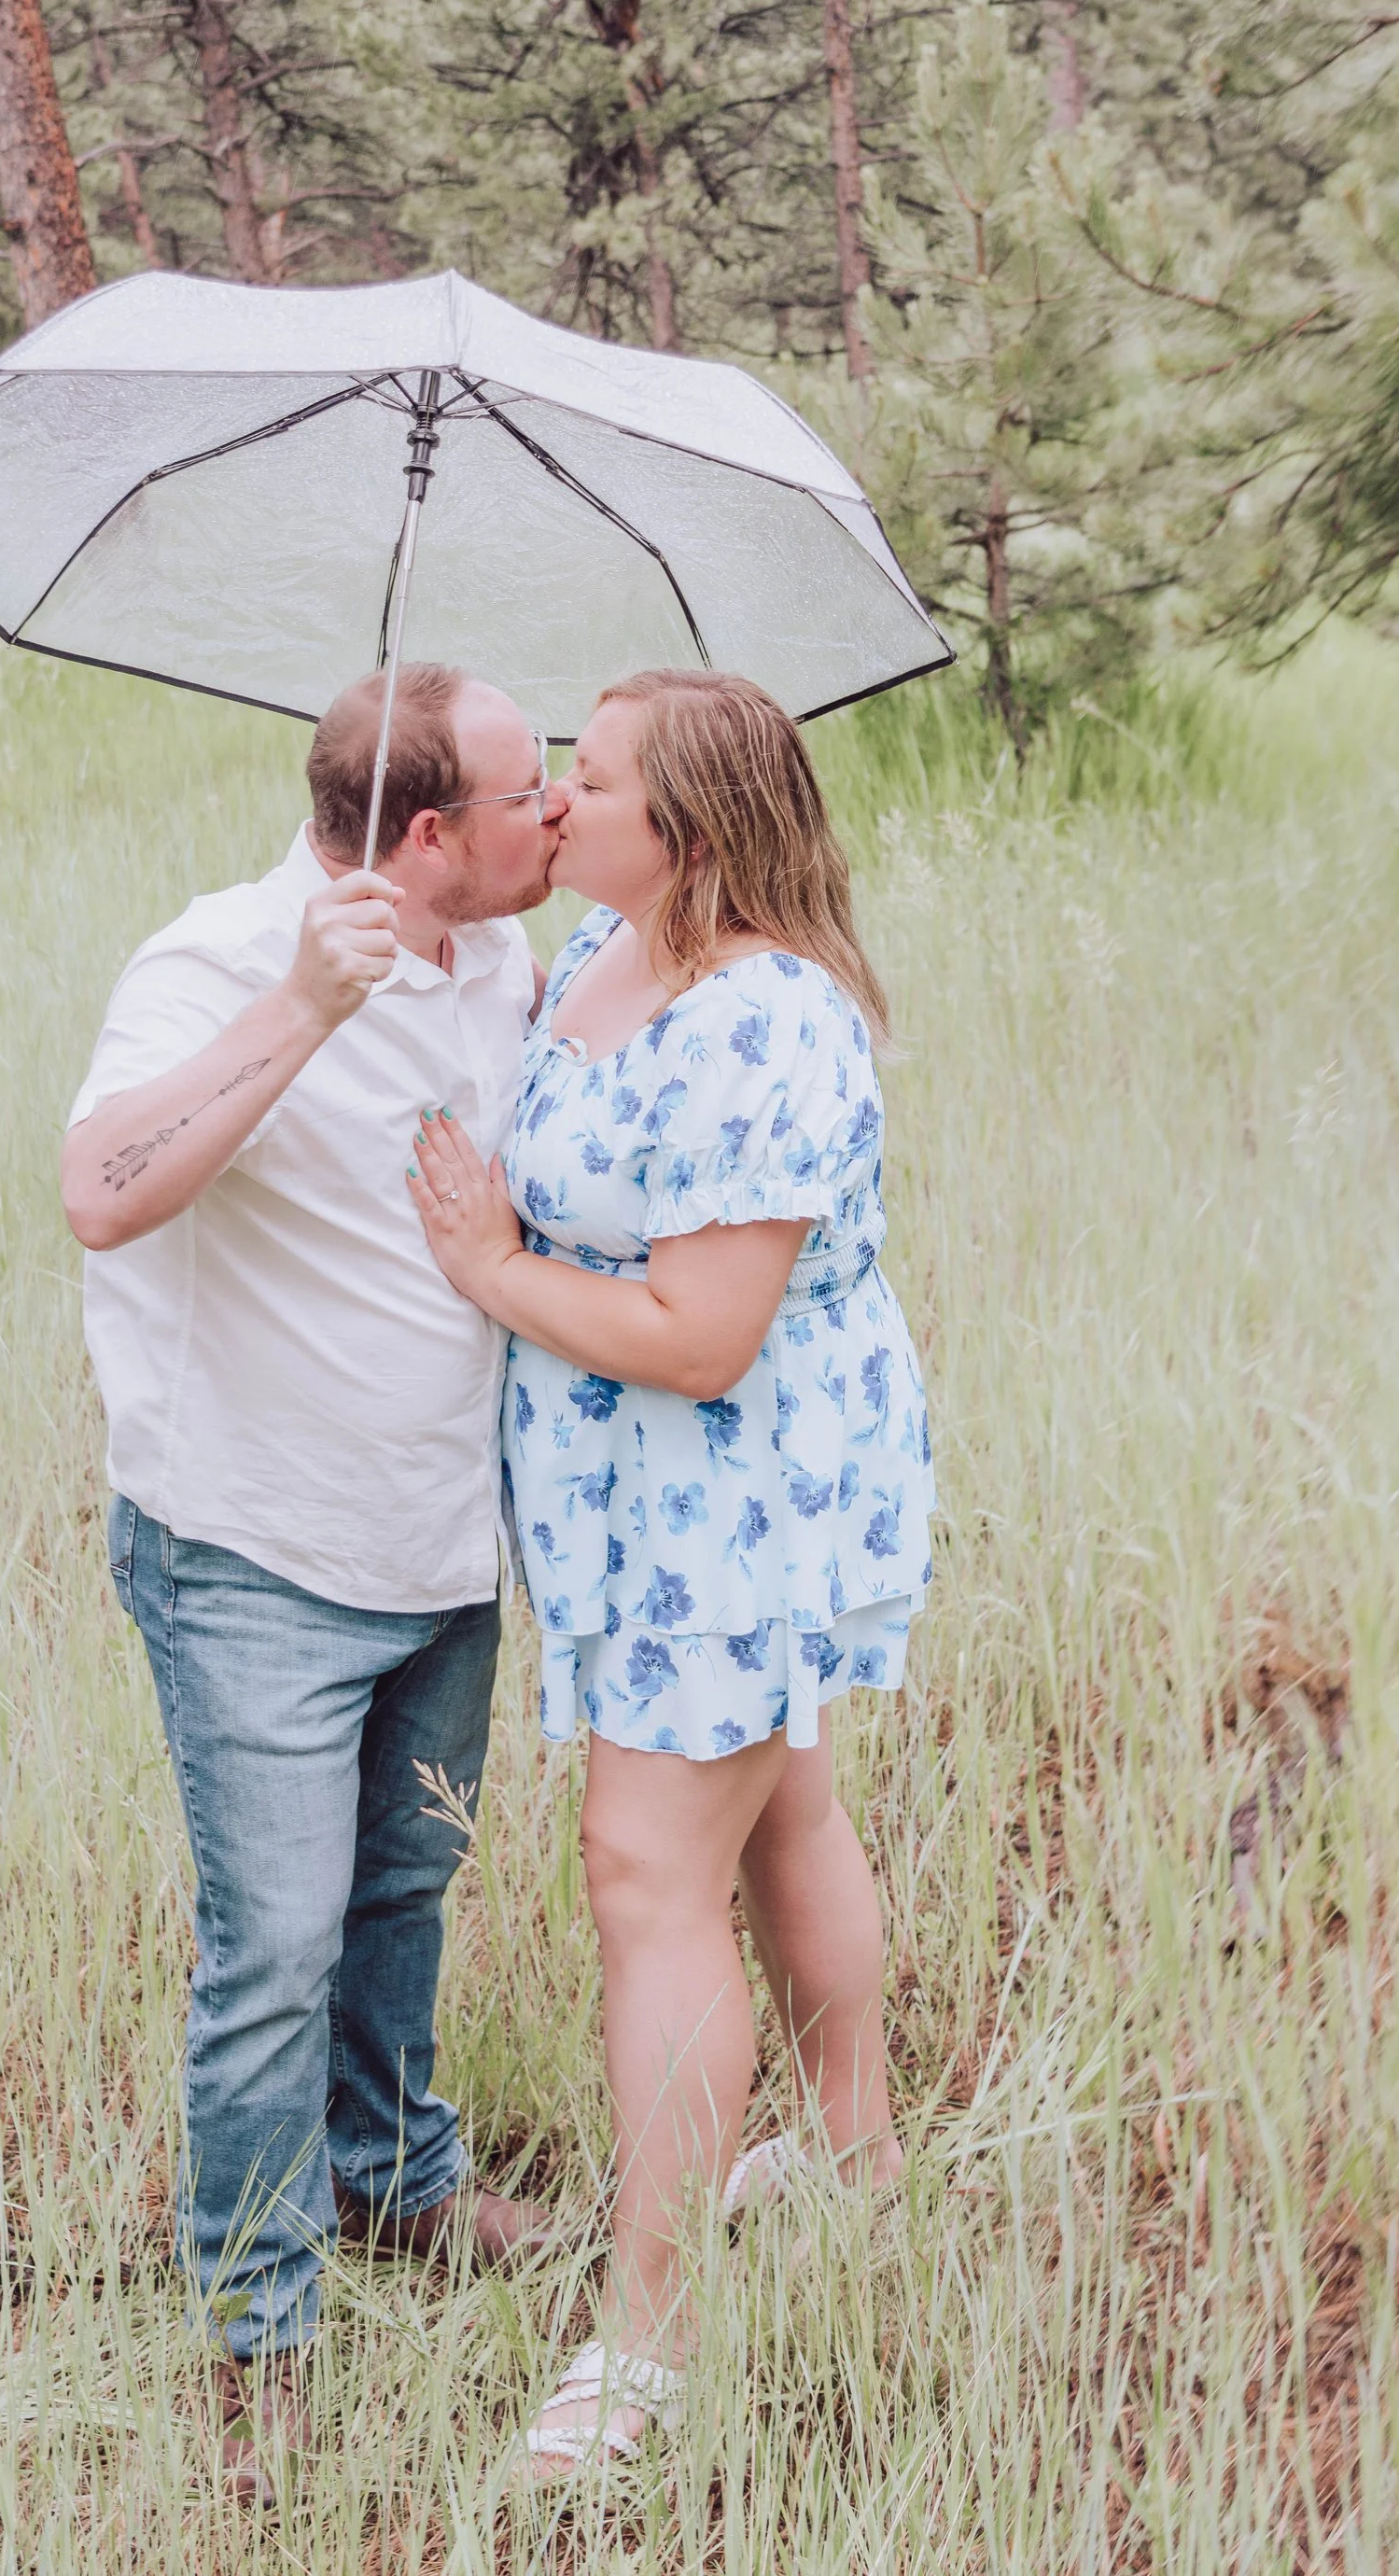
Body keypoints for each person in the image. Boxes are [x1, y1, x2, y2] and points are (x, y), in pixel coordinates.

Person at [406, 665, 935, 2464]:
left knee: (647, 1878)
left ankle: (648, 2340)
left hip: (736, 1499)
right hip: (630, 1505)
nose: (558, 802)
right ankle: (855, 2157)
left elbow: (705, 1335)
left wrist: (490, 1270)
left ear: (687, 832)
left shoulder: (769, 1019)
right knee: (782, 1803)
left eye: (598, 780)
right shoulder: (594, 963)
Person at [62, 663, 566, 2510]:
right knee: (270, 1944)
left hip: (442, 1537)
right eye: (528, 793)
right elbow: (101, 1192)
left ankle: (398, 2178)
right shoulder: (216, 960)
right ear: (423, 833)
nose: (560, 812)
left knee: (401, 1892)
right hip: (254, 1549)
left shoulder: (501, 962)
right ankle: (260, 2329)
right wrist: (302, 1002)